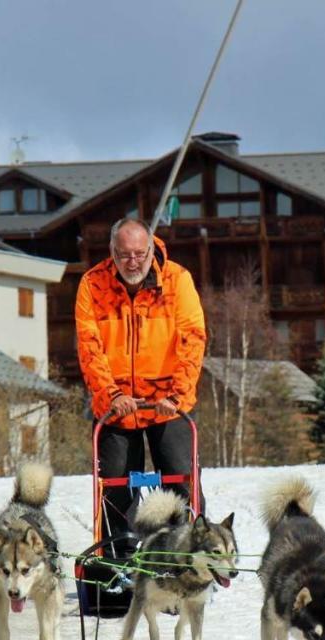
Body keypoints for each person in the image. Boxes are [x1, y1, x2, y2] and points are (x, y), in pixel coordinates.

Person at [75, 216, 206, 555]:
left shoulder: (178, 281)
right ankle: (120, 559)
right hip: (118, 406)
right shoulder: (93, 284)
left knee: (181, 479)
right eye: (123, 255)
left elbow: (192, 339)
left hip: (168, 402)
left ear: (151, 248)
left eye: (139, 253)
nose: (132, 262)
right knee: (115, 488)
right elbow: (89, 347)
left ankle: (188, 555)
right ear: (111, 253)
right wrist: (111, 394)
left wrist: (177, 394)